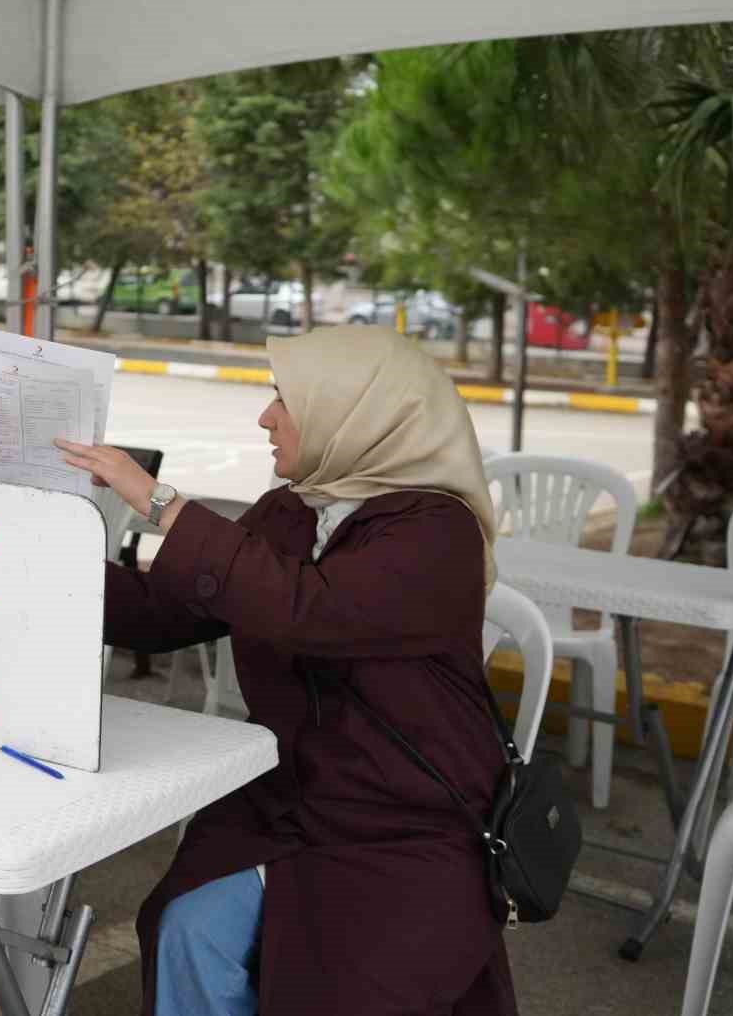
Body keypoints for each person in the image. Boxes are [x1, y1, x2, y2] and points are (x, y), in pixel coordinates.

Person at [55, 326, 515, 1016]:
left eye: (284, 400)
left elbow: (309, 612)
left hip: (407, 825)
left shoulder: (436, 530)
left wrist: (157, 501)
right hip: (292, 803)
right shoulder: (295, 513)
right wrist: (36, 562)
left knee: (333, 985)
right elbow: (163, 613)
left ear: (353, 411)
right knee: (186, 929)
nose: (266, 418)